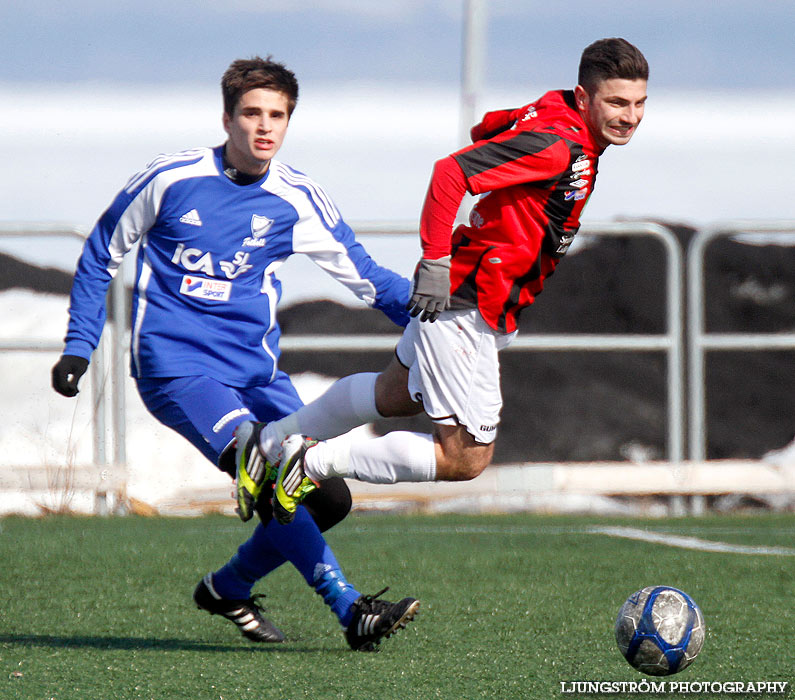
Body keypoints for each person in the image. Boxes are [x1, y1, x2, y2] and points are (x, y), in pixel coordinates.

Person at [51, 56, 419, 651]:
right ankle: (349, 608)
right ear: (226, 118)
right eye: (251, 113)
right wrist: (79, 345)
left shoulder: (296, 198)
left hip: (256, 373)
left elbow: (369, 278)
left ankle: (227, 586)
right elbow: (100, 254)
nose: (264, 126)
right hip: (177, 366)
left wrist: (449, 323)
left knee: (327, 496)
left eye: (277, 115)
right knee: (267, 470)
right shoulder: (171, 179)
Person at [228, 38, 650, 524]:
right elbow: (452, 172)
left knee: (393, 395)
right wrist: (435, 261)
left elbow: (487, 126)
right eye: (617, 102)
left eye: (639, 103)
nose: (630, 116)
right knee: (465, 457)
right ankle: (314, 463)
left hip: (476, 293)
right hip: (469, 303)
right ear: (584, 97)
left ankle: (271, 440)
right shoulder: (560, 146)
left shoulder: (556, 116)